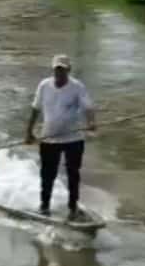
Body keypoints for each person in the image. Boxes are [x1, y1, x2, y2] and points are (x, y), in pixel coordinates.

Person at [24, 55, 96, 220]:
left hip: (73, 138)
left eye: (63, 70)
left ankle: (73, 208)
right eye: (57, 69)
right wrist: (29, 132)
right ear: (53, 70)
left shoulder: (77, 87)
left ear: (69, 70)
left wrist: (91, 123)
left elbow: (88, 107)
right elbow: (35, 109)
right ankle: (44, 206)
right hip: (49, 138)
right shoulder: (44, 85)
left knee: (73, 173)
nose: (59, 73)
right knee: (47, 174)